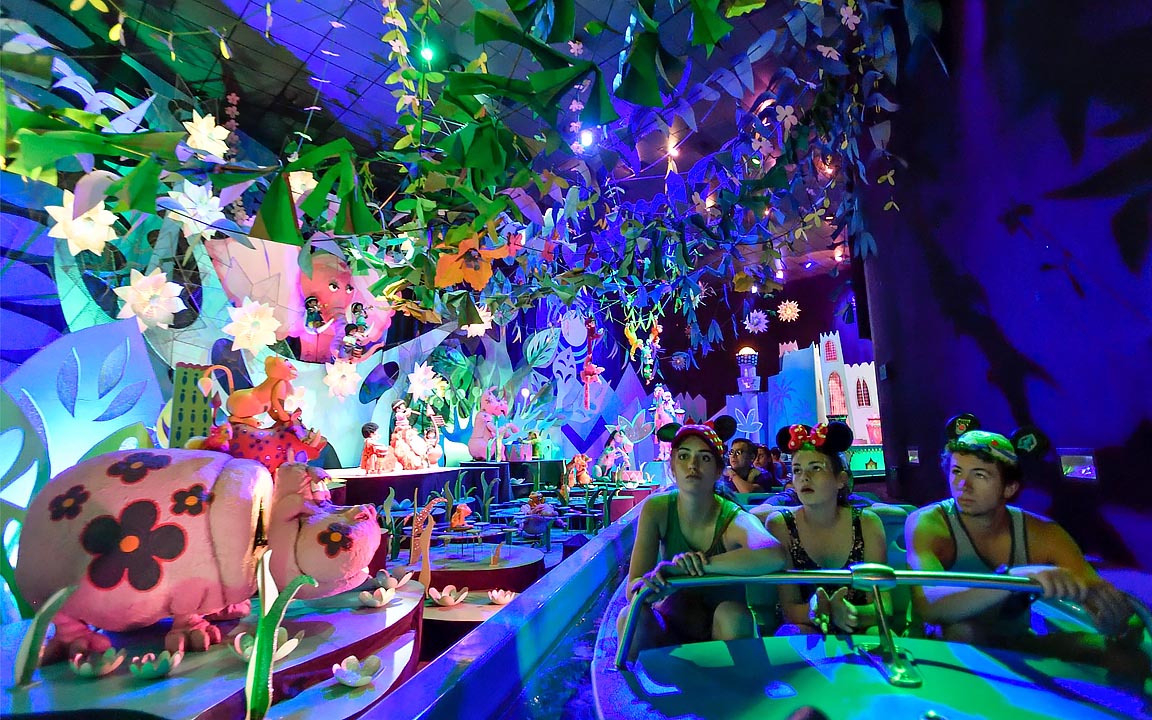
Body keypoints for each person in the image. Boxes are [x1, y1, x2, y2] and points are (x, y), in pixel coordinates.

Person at [905, 415, 1145, 678]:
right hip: (936, 647)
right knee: (964, 632)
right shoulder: (929, 523)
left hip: (1016, 641)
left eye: (980, 475)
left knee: (1129, 661)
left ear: (1009, 488)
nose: (963, 485)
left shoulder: (1044, 534)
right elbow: (929, 605)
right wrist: (1014, 579)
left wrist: (1119, 626)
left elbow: (1099, 596)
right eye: (957, 471)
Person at [617, 422, 786, 660]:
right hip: (670, 624)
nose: (692, 465)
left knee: (732, 615)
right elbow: (632, 587)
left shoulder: (731, 516)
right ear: (672, 467)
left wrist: (696, 566)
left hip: (721, 632)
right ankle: (636, 682)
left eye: (704, 458)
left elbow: (774, 553)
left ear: (718, 471)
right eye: (684, 456)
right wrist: (651, 586)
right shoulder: (657, 509)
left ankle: (740, 680)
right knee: (629, 617)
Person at [754, 422, 890, 635]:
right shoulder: (780, 524)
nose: (804, 477)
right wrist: (813, 610)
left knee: (878, 634)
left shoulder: (868, 523)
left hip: (859, 626)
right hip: (805, 625)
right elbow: (789, 608)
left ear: (841, 480)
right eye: (797, 470)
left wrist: (851, 613)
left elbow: (884, 607)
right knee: (793, 632)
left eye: (816, 468)